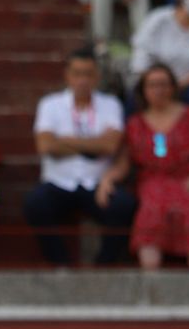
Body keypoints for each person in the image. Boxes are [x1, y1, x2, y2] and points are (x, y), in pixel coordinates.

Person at [24, 47, 136, 266]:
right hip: (58, 182)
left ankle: (103, 265)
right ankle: (62, 265)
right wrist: (95, 145)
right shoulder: (50, 104)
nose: (82, 80)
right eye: (77, 73)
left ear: (97, 77)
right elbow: (45, 145)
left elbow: (112, 146)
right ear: (67, 75)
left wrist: (64, 139)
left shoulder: (110, 104)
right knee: (35, 205)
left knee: (124, 206)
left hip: (97, 183)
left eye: (88, 74)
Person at [112, 63, 189, 270]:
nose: (159, 90)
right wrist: (108, 179)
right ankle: (152, 280)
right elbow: (123, 164)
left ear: (173, 87)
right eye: (152, 85)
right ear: (143, 91)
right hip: (153, 180)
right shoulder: (135, 123)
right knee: (151, 209)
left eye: (163, 84)